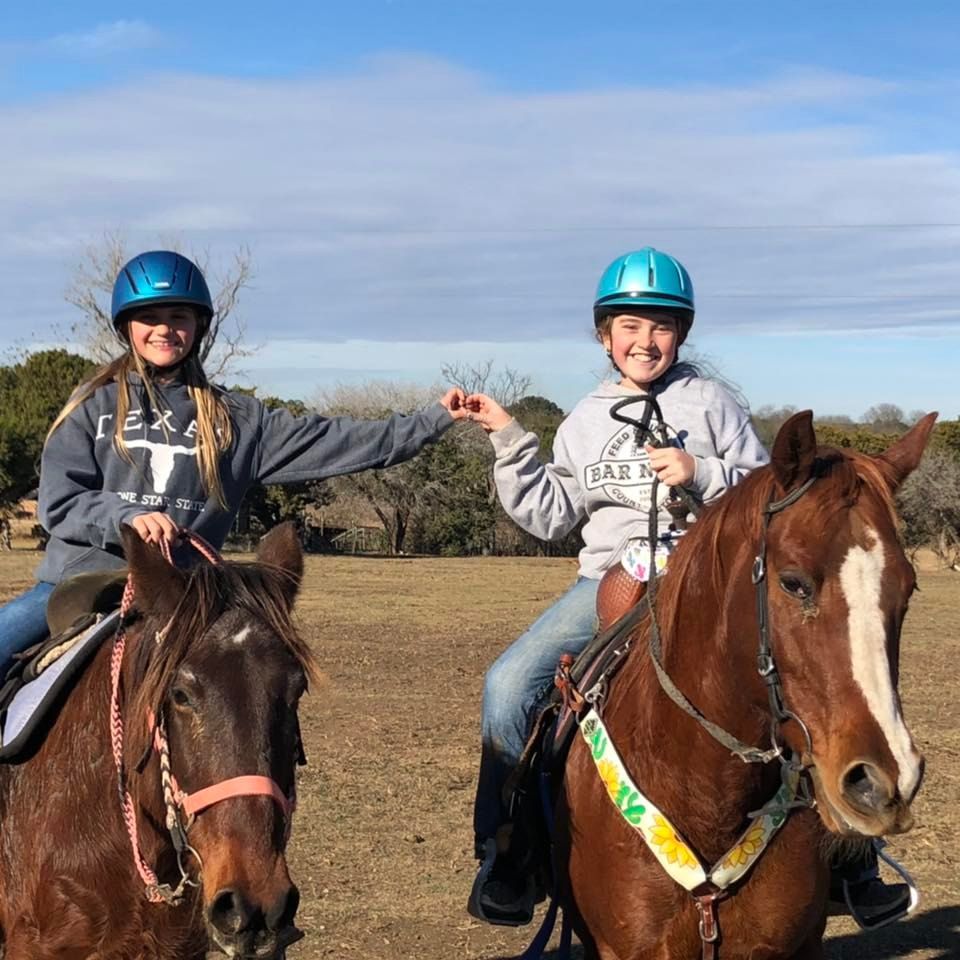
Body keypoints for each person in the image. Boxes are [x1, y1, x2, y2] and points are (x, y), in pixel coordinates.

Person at [464, 247, 910, 929]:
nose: (645, 342)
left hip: (705, 582)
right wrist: (509, 440)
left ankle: (854, 864)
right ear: (604, 334)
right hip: (610, 582)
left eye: (662, 327)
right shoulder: (585, 418)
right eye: (630, 327)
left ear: (683, 333)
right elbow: (551, 513)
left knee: (791, 682)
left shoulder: (712, 404)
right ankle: (507, 853)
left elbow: (777, 500)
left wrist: (700, 470)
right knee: (508, 684)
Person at [0, 249, 468, 673]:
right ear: (127, 327)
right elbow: (60, 503)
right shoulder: (91, 407)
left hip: (188, 594)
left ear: (199, 325)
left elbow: (335, 439)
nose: (165, 328)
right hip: (78, 584)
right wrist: (127, 517)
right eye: (150, 317)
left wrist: (430, 421)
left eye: (178, 315)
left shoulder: (239, 421)